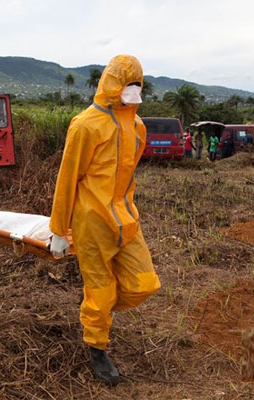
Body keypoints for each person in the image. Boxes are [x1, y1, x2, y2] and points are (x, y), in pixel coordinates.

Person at [49, 55, 161, 385]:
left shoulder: (138, 126)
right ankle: (96, 348)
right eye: (127, 83)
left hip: (127, 219)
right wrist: (59, 230)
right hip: (91, 222)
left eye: (137, 84)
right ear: (111, 83)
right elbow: (67, 179)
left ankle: (97, 310)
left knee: (144, 283)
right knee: (100, 289)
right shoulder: (85, 125)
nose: (133, 89)